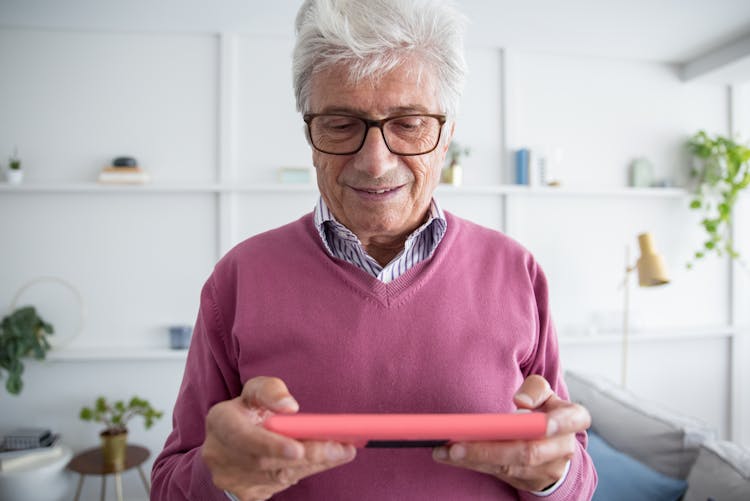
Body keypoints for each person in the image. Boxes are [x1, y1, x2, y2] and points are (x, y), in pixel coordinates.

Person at [151, 0, 597, 499]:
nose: (375, 163)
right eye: (341, 124)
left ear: (447, 135)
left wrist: (554, 476)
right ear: (310, 136)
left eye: (408, 124)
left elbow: (576, 475)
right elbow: (168, 485)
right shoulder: (238, 277)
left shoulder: (516, 270)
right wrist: (223, 482)